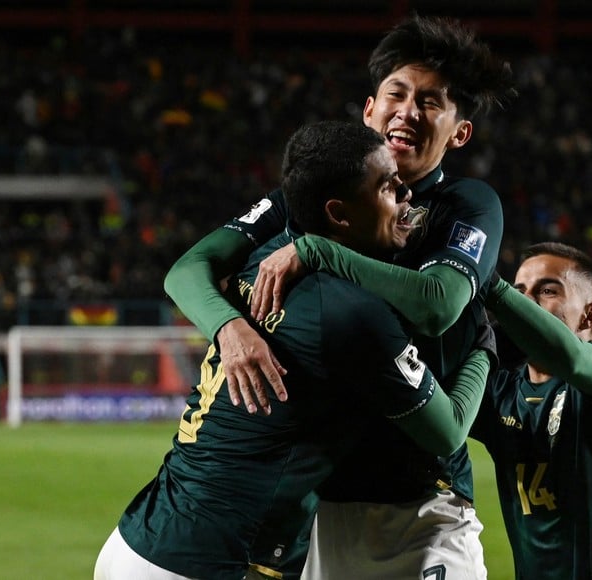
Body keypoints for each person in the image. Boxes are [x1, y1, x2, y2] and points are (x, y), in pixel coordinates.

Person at [163, 15, 516, 579]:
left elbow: (438, 302)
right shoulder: (312, 193)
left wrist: (321, 252)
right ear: (369, 110)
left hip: (426, 503)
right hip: (321, 510)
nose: (408, 111)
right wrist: (230, 330)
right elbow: (188, 270)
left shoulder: (469, 208)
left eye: (430, 102)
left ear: (459, 132)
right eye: (397, 94)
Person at [94, 120, 491, 580]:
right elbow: (447, 431)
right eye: (388, 187)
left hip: (143, 536)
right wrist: (484, 347)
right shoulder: (350, 314)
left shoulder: (263, 256)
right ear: (338, 214)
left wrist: (227, 323)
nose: (406, 194)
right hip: (210, 563)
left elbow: (191, 268)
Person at [472, 241, 592, 579]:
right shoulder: (499, 391)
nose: (524, 302)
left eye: (547, 290)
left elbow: (572, 359)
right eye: (519, 291)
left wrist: (487, 284)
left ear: (589, 315)